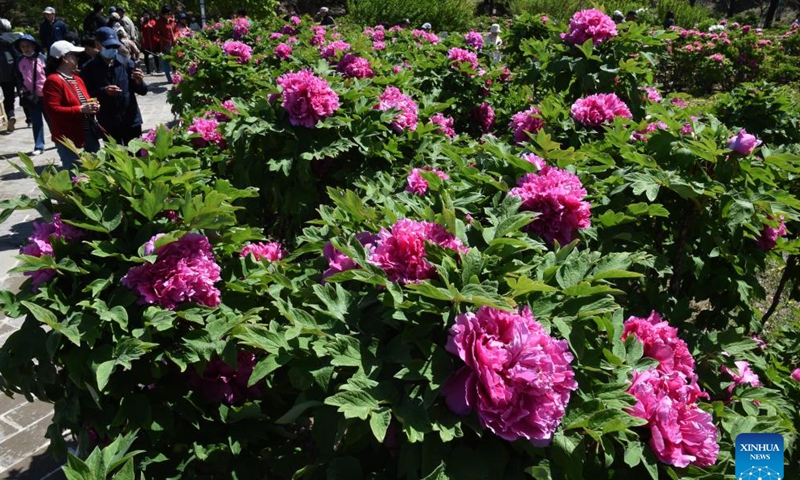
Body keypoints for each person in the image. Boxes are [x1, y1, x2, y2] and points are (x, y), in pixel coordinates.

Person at [80, 27, 147, 145]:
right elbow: (87, 95)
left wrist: (139, 82)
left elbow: (142, 91)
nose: (112, 50)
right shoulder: (88, 69)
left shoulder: (126, 63)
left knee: (137, 158)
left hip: (131, 120)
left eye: (114, 47)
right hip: (108, 122)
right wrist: (104, 91)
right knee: (115, 159)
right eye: (108, 46)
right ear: (97, 45)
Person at [43, 40, 101, 170]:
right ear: (64, 58)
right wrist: (81, 109)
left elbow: (84, 103)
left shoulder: (77, 79)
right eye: (74, 55)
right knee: (76, 174)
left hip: (89, 134)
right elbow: (53, 110)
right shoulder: (53, 81)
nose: (77, 58)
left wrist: (93, 107)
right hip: (70, 137)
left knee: (97, 172)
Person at [14, 35, 48, 155]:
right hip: (31, 96)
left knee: (52, 121)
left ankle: (60, 142)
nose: (26, 48)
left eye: (28, 46)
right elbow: (18, 77)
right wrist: (21, 89)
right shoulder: (19, 61)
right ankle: (39, 145)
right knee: (36, 121)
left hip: (45, 95)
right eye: (23, 46)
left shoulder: (42, 58)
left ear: (33, 46)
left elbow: (49, 74)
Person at [0, 19, 20, 133]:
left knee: (8, 98)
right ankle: (30, 119)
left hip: (4, 74)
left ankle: (11, 115)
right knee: (24, 95)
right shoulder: (16, 38)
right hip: (18, 71)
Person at [155, 6, 176, 84]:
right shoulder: (159, 22)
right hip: (165, 45)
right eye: (167, 14)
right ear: (163, 14)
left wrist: (175, 37)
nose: (168, 15)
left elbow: (176, 30)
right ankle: (169, 78)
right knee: (166, 61)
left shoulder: (172, 21)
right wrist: (163, 38)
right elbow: (155, 33)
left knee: (176, 60)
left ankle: (177, 77)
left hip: (174, 44)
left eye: (169, 13)